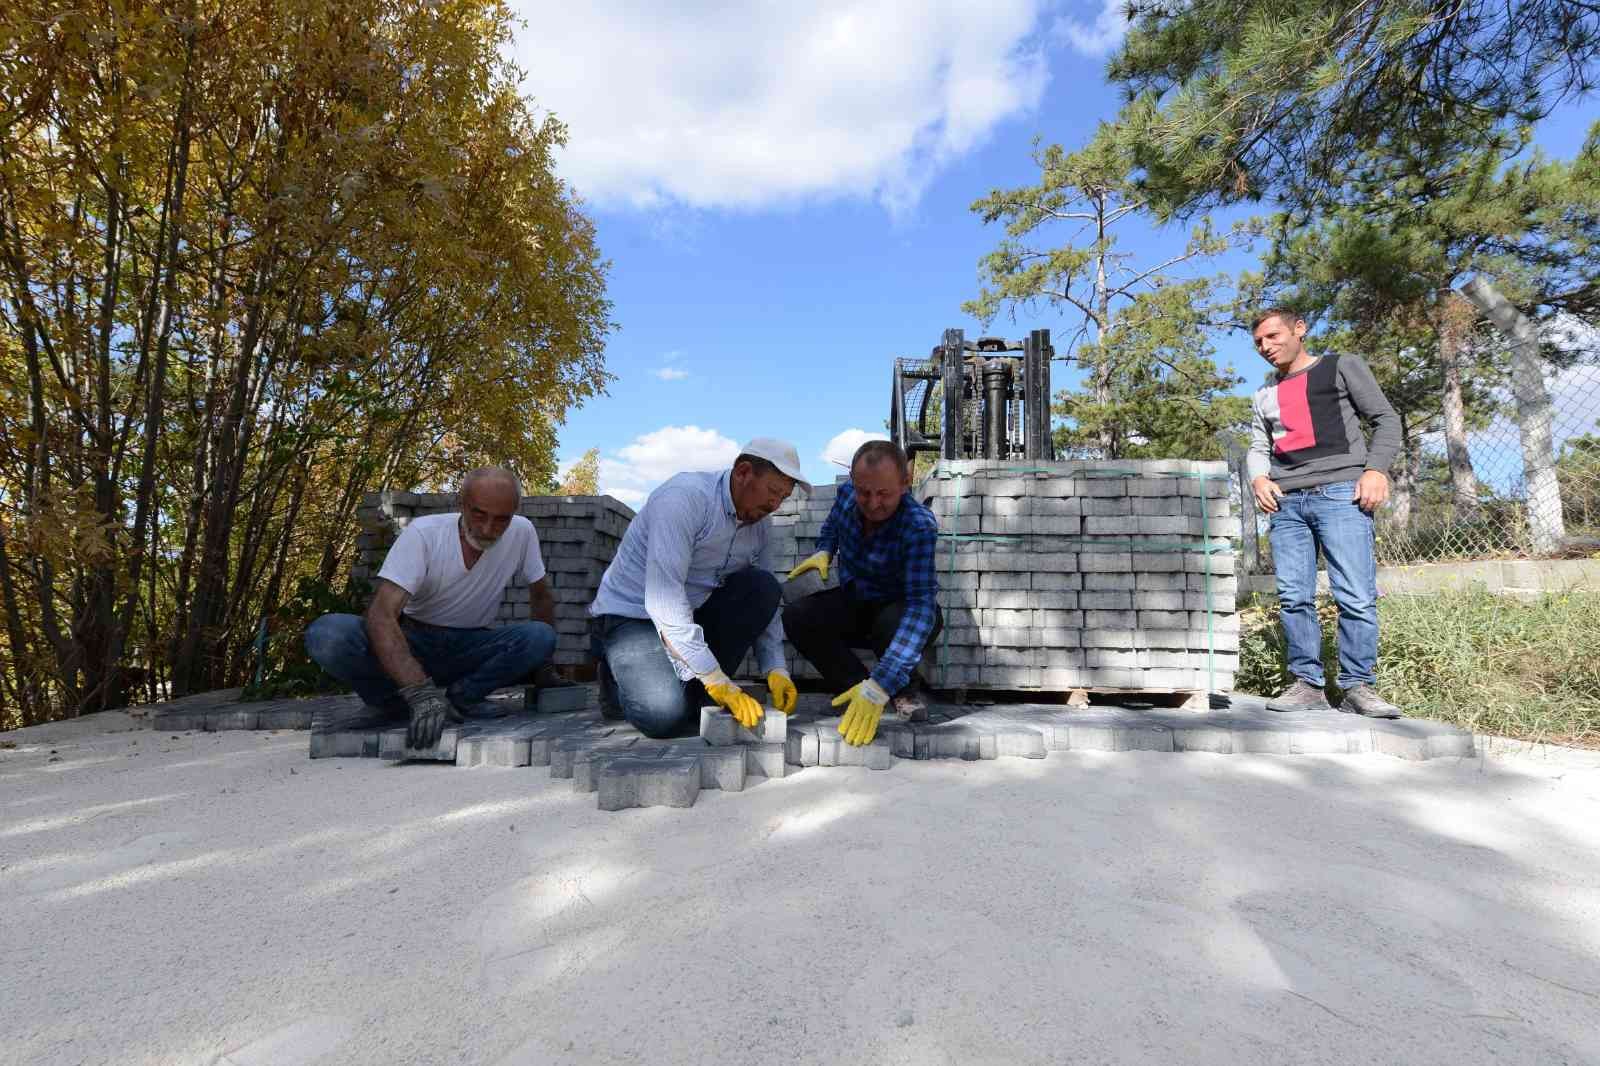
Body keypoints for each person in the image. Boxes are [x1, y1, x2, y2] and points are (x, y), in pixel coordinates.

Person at [305, 466, 557, 749]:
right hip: (413, 643)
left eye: (502, 520)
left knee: (541, 637)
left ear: (514, 513)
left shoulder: (523, 532)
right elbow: (381, 615)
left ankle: (463, 698)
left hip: (472, 647)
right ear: (460, 504)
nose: (488, 529)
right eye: (478, 514)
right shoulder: (424, 535)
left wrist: (544, 669)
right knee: (327, 634)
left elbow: (541, 596)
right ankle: (394, 703)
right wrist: (419, 693)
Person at [589, 439, 807, 738]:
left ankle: (692, 689)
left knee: (762, 586)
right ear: (743, 472)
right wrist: (715, 678)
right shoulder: (684, 499)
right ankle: (614, 677)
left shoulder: (761, 526)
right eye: (772, 492)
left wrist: (776, 668)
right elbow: (664, 600)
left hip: (691, 614)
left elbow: (767, 600)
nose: (775, 505)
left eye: (783, 497)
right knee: (663, 716)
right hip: (632, 616)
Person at [1246, 309, 1404, 718]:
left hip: (1341, 495)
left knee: (1355, 594)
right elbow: (1259, 447)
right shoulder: (1264, 394)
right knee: (1294, 597)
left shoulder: (1341, 367)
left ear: (1299, 329)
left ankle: (1357, 687)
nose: (1266, 346)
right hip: (1286, 504)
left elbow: (1386, 419)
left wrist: (1375, 470)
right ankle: (1307, 685)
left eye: (1273, 336)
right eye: (1259, 342)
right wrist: (1259, 481)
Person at [782, 439, 941, 747]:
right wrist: (825, 550)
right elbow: (831, 528)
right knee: (798, 616)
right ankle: (858, 691)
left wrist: (881, 682)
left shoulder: (918, 525)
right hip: (858, 599)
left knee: (890, 625)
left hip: (902, 609)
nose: (872, 503)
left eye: (884, 494)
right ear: (853, 483)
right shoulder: (846, 497)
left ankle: (898, 688)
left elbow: (921, 606)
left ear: (905, 483)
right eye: (864, 492)